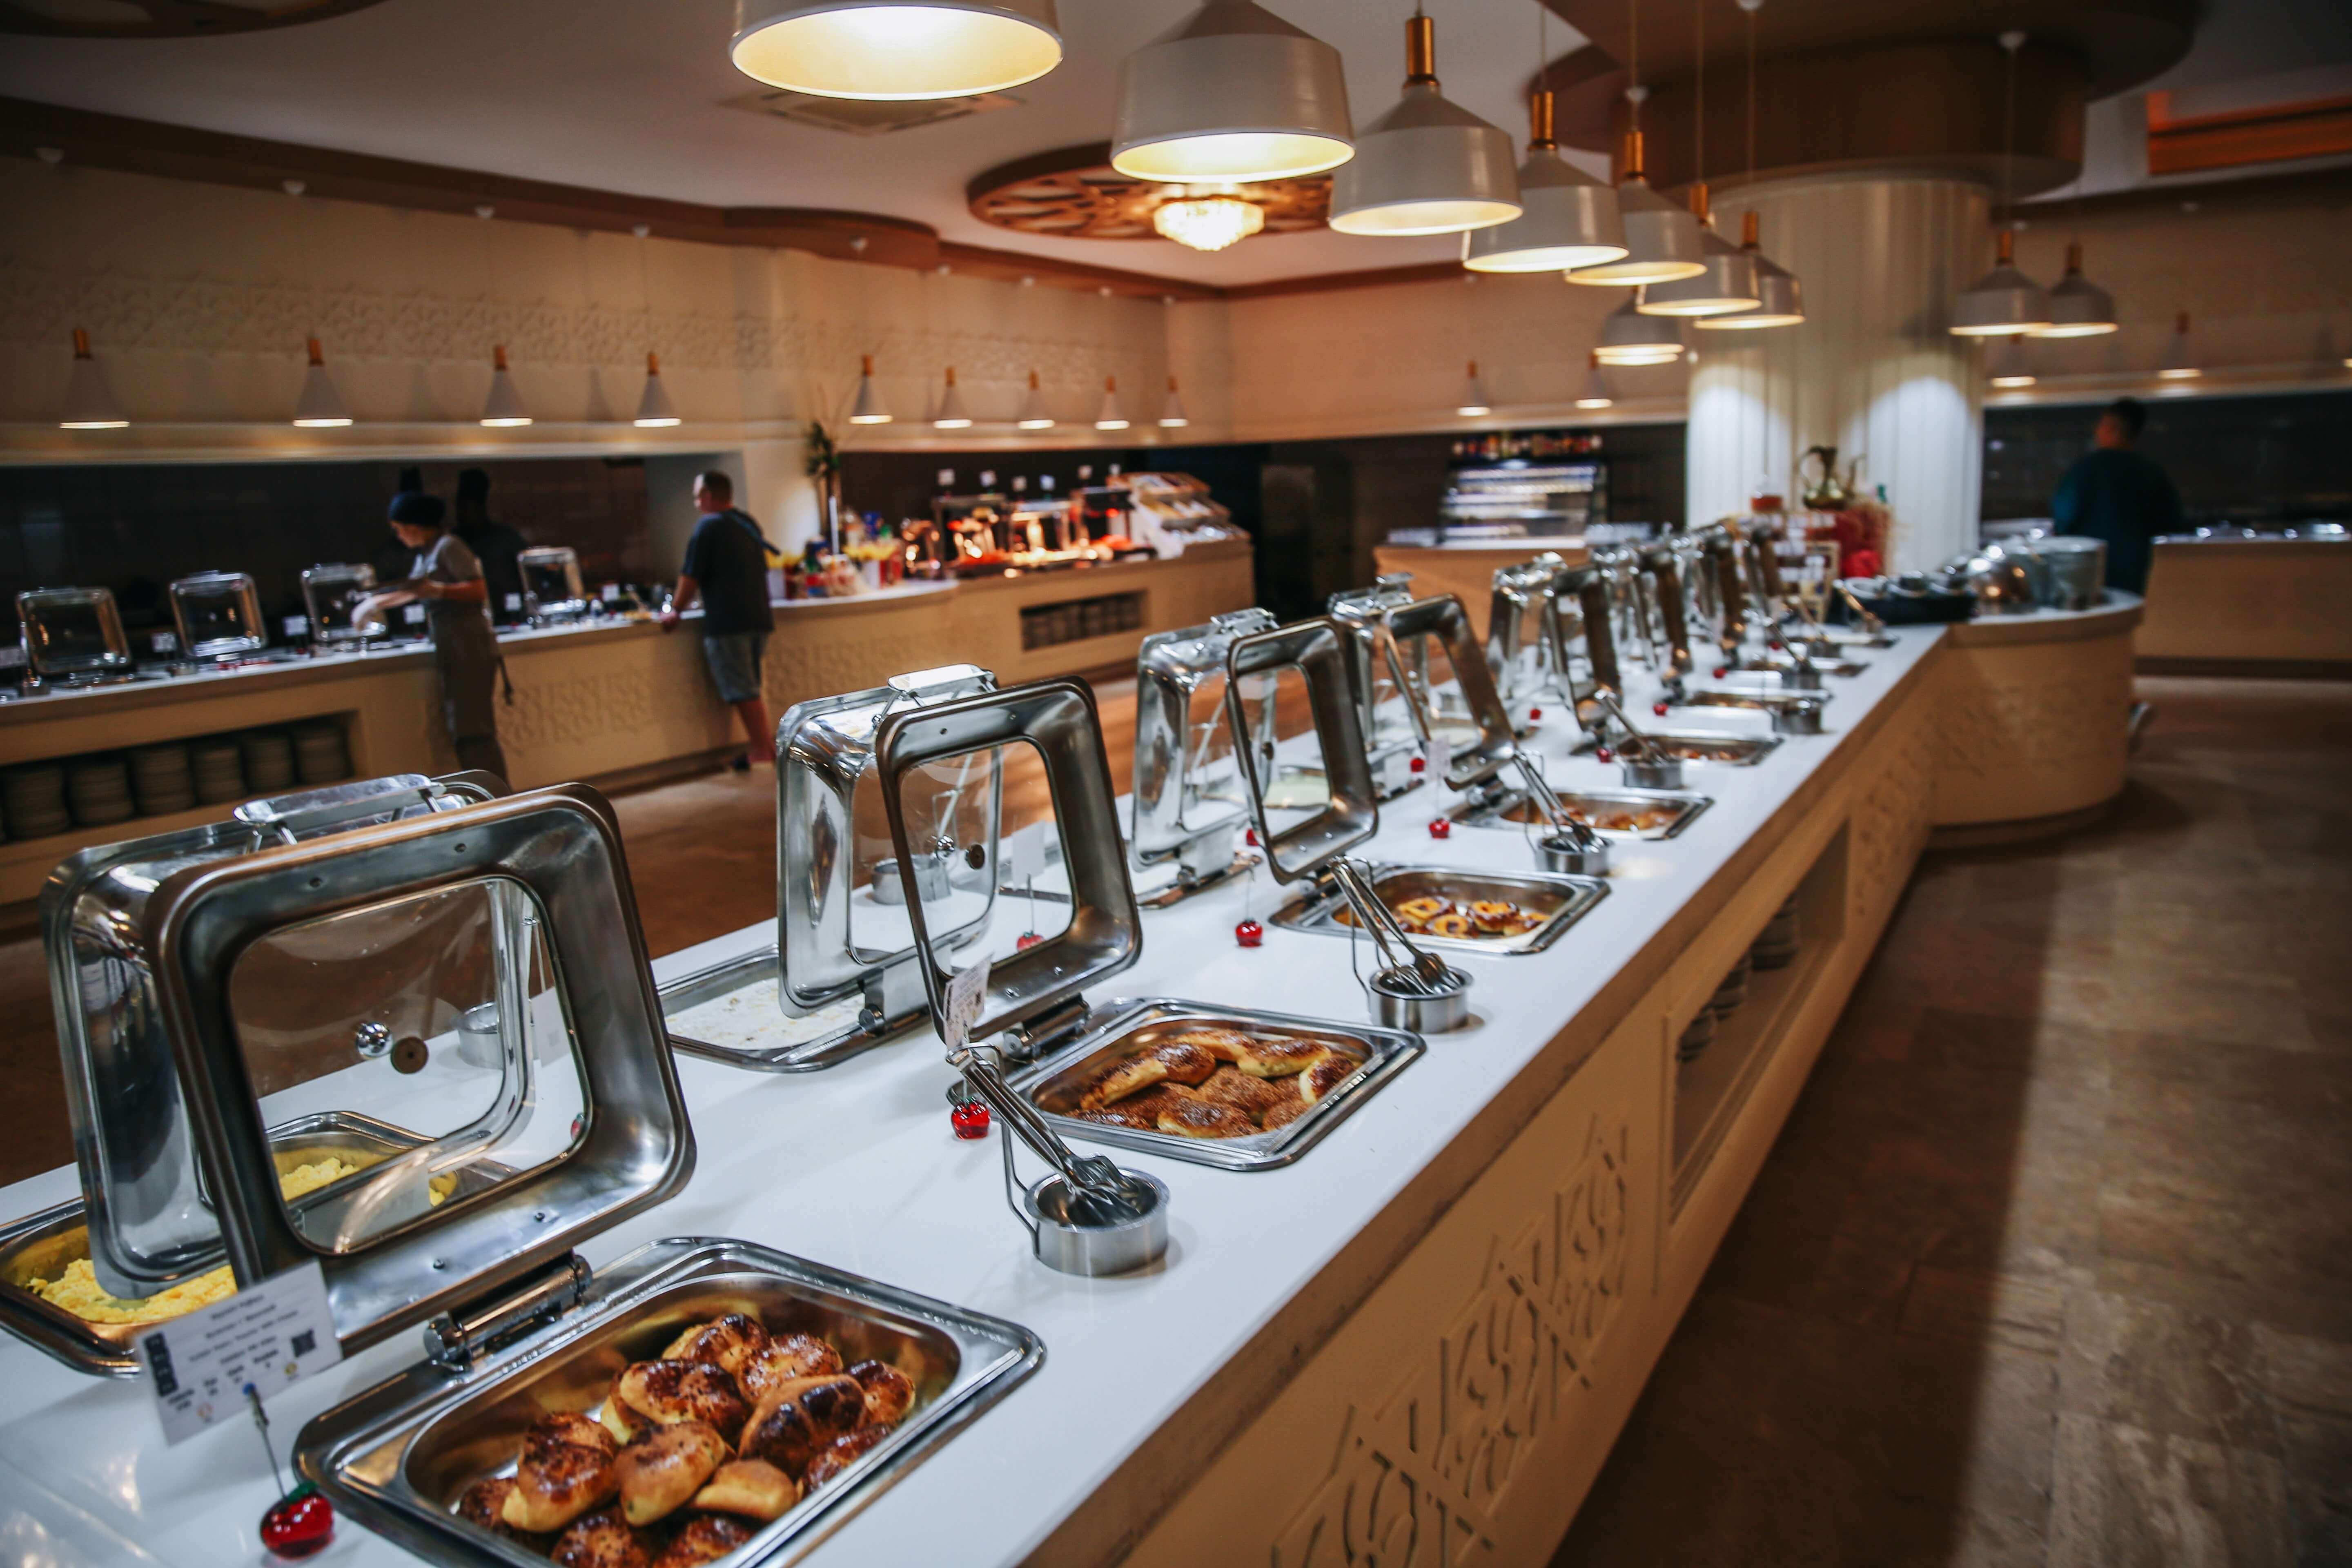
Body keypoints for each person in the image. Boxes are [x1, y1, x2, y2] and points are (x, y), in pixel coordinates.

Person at [355, 488, 510, 780]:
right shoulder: (428, 552)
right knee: (461, 727)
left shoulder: (449, 547)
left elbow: (478, 590)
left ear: (415, 527)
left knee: (473, 728)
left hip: (468, 644)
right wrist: (375, 603)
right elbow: (415, 590)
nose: (399, 536)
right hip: (452, 643)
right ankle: (483, 793)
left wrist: (439, 591)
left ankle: (496, 795)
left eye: (399, 529)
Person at [659, 470, 775, 771]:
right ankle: (765, 747)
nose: (697, 503)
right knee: (751, 685)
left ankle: (762, 750)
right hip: (758, 617)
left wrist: (675, 609)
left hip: (729, 621)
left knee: (743, 689)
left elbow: (691, 576)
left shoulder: (708, 527)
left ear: (709, 496)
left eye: (698, 497)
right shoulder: (747, 523)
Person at [2050, 397, 2185, 593]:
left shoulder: (2085, 471)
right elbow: (2172, 521)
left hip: (2089, 562)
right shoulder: (2151, 473)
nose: (2097, 432)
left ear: (2111, 428)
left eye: (2101, 426)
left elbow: (2064, 516)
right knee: (2129, 607)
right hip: (2136, 565)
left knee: (2095, 608)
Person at [453, 468, 530, 624]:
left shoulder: (506, 537)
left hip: (512, 615)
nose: (466, 512)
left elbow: (529, 576)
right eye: (462, 506)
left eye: (472, 506)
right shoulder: (454, 541)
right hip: (470, 619)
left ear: (482, 506)